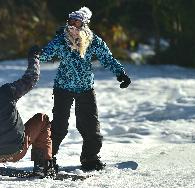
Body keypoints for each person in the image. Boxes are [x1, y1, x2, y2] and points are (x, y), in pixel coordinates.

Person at [39, 7, 131, 171]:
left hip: (85, 88)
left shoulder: (93, 41)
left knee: (90, 126)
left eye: (77, 22)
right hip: (63, 88)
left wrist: (120, 73)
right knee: (59, 127)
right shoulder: (61, 40)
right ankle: (47, 158)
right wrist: (36, 54)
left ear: (84, 25)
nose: (73, 26)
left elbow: (107, 58)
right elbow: (45, 55)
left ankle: (90, 158)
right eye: (70, 22)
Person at [0, 46, 56, 182]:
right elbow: (32, 77)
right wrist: (34, 57)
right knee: (42, 119)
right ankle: (42, 166)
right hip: (17, 151)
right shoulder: (7, 92)